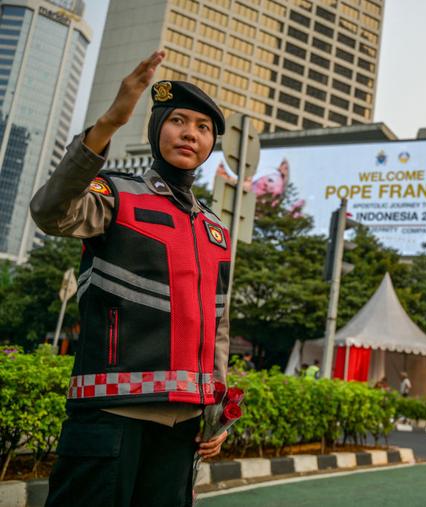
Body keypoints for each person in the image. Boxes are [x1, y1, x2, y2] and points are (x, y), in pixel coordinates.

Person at [30, 51, 231, 506]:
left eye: (203, 128)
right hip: (108, 417)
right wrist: (108, 124)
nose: (190, 133)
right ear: (156, 128)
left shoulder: (216, 231)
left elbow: (217, 326)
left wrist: (216, 410)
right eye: (178, 120)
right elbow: (49, 212)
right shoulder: (116, 194)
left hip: (182, 428)